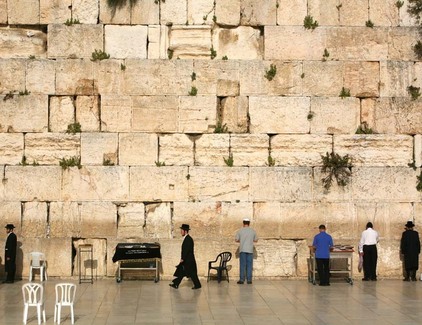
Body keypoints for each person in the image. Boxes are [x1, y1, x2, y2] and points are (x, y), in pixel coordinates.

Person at [169, 224, 201, 289]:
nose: (181, 231)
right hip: (187, 260)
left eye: (182, 230)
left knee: (192, 273)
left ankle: (197, 285)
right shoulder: (187, 238)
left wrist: (182, 259)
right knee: (182, 272)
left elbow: (187, 250)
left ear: (185, 231)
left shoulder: (188, 239)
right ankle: (176, 284)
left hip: (189, 260)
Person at [235, 218, 258, 284]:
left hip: (242, 249)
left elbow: (236, 240)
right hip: (250, 250)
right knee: (249, 265)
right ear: (249, 223)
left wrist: (242, 241)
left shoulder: (240, 231)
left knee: (242, 265)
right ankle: (249, 280)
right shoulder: (252, 231)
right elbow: (256, 240)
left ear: (243, 223)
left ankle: (242, 279)